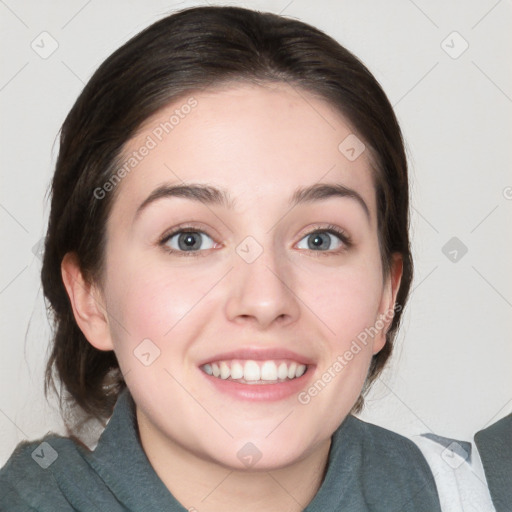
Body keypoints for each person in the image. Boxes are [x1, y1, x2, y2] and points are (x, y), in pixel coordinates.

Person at [0, 5, 442, 511]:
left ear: (387, 296)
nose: (264, 299)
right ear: (90, 297)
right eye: (189, 239)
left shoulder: (474, 492)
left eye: (320, 239)